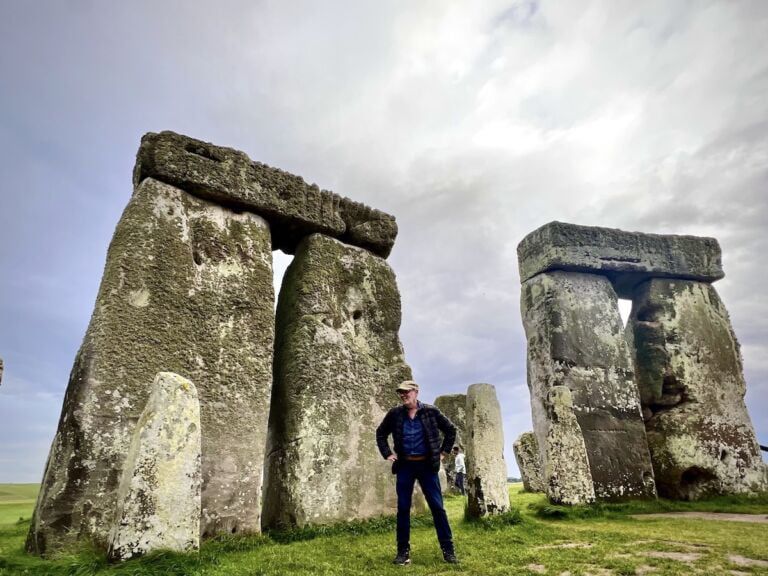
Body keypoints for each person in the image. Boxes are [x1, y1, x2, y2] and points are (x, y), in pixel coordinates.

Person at [376, 380, 458, 565]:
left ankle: (448, 550)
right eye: (401, 393)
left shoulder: (431, 411)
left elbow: (450, 430)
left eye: (407, 392)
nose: (403, 395)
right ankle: (402, 552)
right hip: (405, 467)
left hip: (427, 467)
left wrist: (443, 453)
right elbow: (380, 433)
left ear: (416, 392)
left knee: (437, 508)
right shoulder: (395, 414)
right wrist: (387, 454)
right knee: (403, 509)